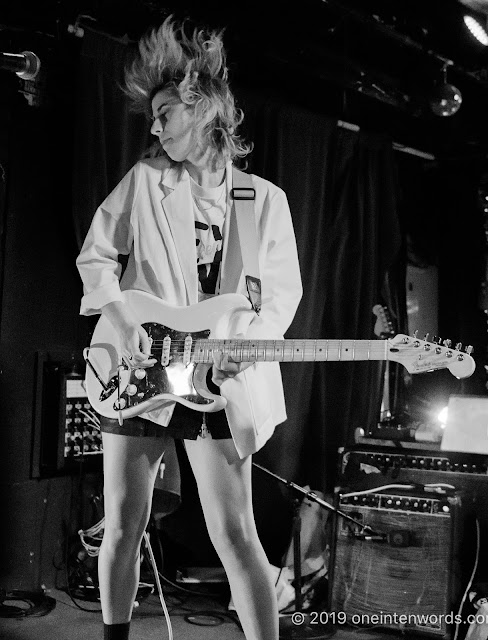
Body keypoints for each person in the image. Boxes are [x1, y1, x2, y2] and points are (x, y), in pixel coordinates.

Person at [76, 15, 302, 640]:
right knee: (122, 524)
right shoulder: (145, 182)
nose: (154, 126)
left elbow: (280, 298)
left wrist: (246, 352)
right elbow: (96, 256)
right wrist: (123, 320)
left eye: (166, 112)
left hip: (216, 381)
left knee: (237, 535)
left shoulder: (265, 200)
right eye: (151, 116)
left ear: (205, 110)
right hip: (139, 369)